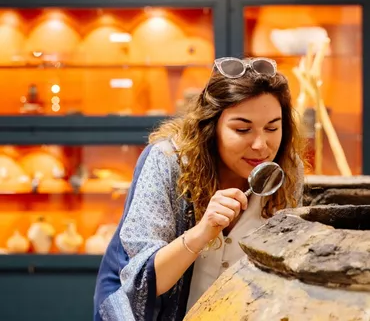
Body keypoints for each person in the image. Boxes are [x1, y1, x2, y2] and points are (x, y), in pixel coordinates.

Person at [94, 57, 305, 321]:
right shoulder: (168, 161)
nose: (261, 145)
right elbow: (143, 283)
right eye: (242, 129)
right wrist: (203, 231)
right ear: (211, 125)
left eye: (272, 127)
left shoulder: (287, 168)